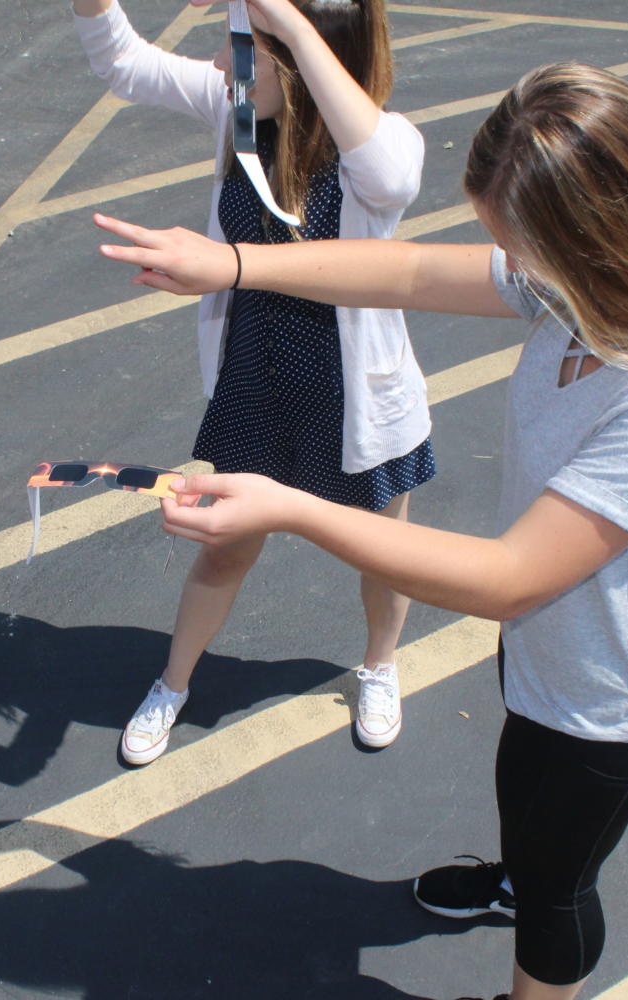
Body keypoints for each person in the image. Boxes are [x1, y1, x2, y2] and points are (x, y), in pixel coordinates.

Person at [95, 61, 628, 1000]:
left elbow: (510, 576)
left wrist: (298, 508)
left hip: (617, 701)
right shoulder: (586, 287)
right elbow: (412, 270)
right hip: (552, 660)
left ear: (601, 236)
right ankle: (512, 875)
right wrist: (234, 263)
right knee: (524, 817)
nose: (512, 269)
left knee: (560, 885)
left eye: (521, 249)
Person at [71, 0, 436, 765]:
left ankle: (379, 666)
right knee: (226, 550)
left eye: (244, 51)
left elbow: (394, 176)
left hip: (355, 399)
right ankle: (174, 682)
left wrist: (290, 28)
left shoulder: (382, 144)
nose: (220, 66)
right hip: (256, 382)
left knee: (382, 553)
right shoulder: (238, 109)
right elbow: (125, 64)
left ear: (302, 62)